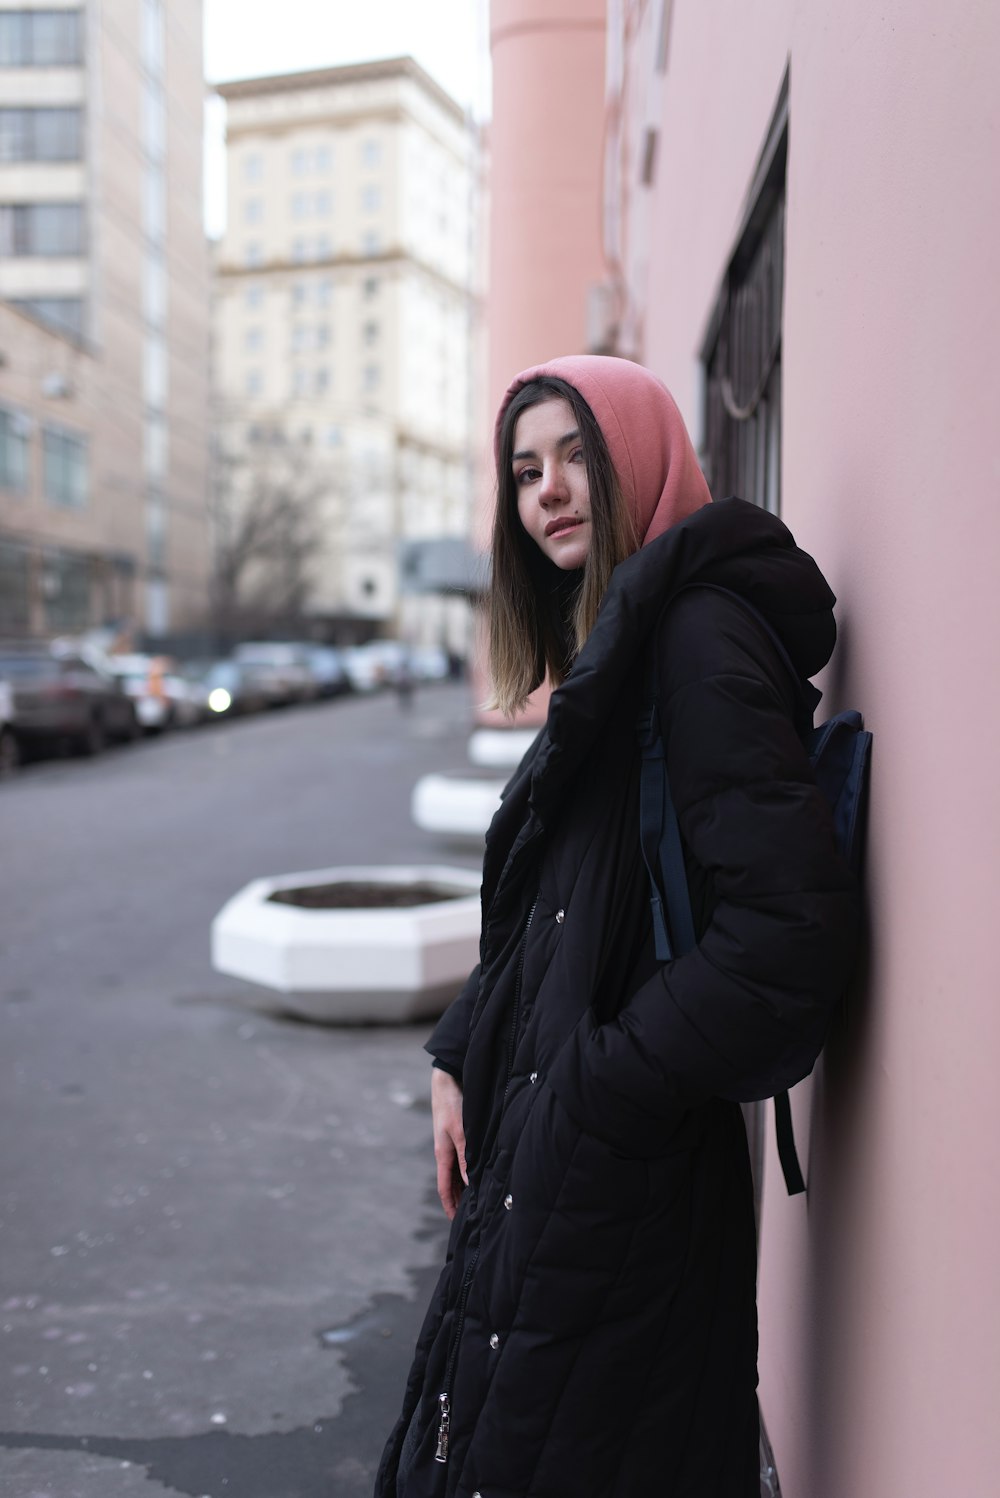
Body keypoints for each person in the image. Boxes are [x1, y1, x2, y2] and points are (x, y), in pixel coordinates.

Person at [375, 355, 859, 1498]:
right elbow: (562, 906)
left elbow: (787, 939)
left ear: (642, 456)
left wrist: (600, 1086)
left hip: (622, 1187)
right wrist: (463, 1046)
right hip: (567, 1166)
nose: (546, 488)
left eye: (577, 454)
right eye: (525, 469)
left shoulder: (695, 641)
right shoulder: (621, 659)